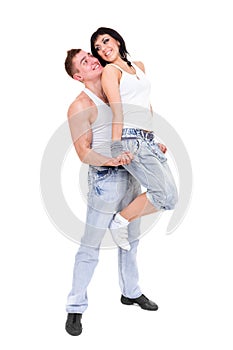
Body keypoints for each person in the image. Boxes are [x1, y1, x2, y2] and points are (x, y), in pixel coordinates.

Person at [64, 49, 159, 336]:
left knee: (130, 240)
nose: (92, 59)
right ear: (78, 76)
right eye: (84, 61)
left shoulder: (116, 89)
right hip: (106, 180)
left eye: (89, 55)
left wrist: (154, 143)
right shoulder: (81, 105)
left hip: (134, 174)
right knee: (90, 247)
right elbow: (83, 153)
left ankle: (131, 292)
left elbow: (140, 123)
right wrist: (111, 160)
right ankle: (75, 308)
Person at [90, 27, 178, 250]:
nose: (103, 49)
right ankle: (119, 222)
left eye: (106, 41)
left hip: (146, 138)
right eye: (98, 48)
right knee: (163, 195)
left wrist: (153, 137)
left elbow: (146, 105)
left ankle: (121, 221)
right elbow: (117, 111)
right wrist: (117, 146)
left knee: (170, 197)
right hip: (130, 139)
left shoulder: (139, 67)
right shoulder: (110, 71)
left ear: (118, 41)